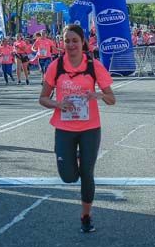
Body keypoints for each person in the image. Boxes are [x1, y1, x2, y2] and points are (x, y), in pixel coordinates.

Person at [39, 24, 116, 233]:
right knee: (69, 176)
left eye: (75, 40)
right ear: (62, 43)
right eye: (67, 41)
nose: (71, 45)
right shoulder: (56, 66)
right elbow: (43, 98)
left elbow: (112, 99)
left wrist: (97, 95)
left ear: (83, 42)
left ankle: (85, 216)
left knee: (87, 173)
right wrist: (57, 104)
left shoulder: (94, 66)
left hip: (90, 128)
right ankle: (76, 159)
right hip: (64, 128)